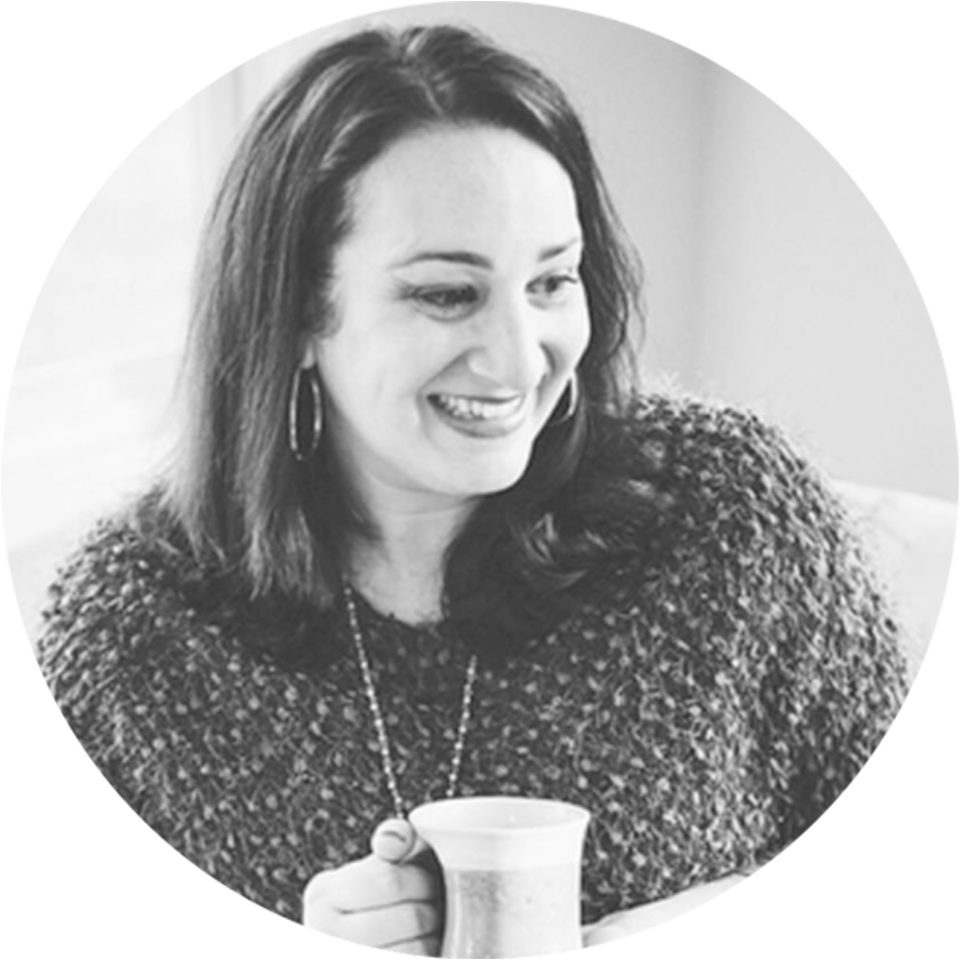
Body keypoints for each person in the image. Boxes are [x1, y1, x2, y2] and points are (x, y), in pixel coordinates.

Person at [35, 21, 907, 959]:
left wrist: (680, 936)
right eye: (448, 294)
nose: (519, 359)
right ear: (295, 314)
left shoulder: (729, 512)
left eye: (552, 281)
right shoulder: (131, 628)